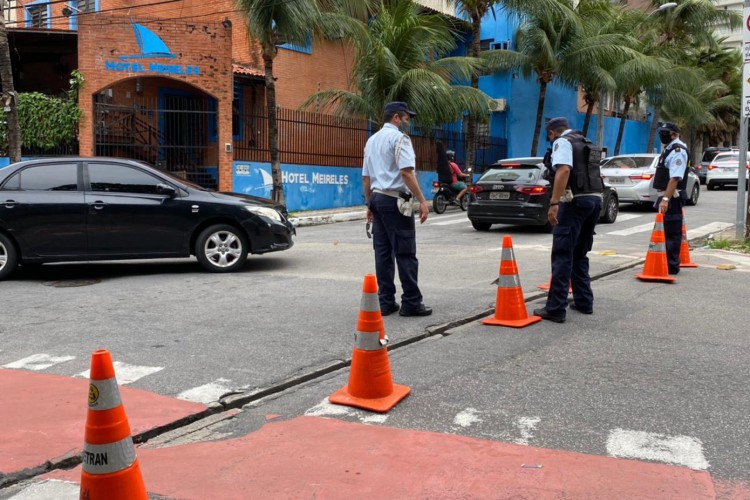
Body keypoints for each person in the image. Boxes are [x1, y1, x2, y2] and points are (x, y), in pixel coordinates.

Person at [362, 101, 432, 317]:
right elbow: (406, 173)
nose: (408, 123)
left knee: (382, 253)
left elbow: (366, 177)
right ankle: (411, 302)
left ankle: (385, 302)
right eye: (406, 119)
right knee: (405, 251)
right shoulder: (400, 138)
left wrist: (369, 204)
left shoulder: (371, 141)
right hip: (395, 200)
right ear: (396, 118)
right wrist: (422, 200)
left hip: (377, 198)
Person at [533, 117, 603, 323]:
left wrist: (554, 203)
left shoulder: (563, 142)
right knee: (580, 253)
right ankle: (584, 301)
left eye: (549, 135)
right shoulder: (585, 142)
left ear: (553, 132)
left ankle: (555, 308)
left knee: (562, 254)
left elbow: (563, 170)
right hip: (595, 200)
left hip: (575, 203)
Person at [653, 122, 689, 275]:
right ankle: (665, 263)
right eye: (661, 132)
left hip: (672, 197)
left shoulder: (678, 151)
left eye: (666, 132)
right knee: (666, 231)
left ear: (675, 134)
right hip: (667, 195)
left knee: (672, 232)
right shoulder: (669, 149)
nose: (663, 134)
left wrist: (666, 200)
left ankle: (671, 265)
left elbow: (675, 178)